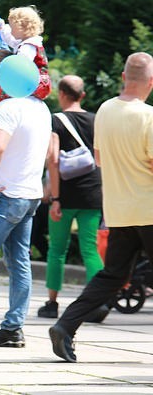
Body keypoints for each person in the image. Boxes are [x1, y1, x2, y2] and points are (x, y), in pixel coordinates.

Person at [49, 52, 153, 363]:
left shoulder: (105, 110)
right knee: (113, 274)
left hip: (119, 209)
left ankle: (65, 325)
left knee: (112, 275)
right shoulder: (148, 116)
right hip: (148, 208)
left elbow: (99, 158)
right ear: (151, 82)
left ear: (123, 77)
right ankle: (65, 326)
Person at [0, 49, 51, 349]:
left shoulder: (6, 108)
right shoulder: (40, 108)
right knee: (19, 262)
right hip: (30, 194)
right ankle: (13, 328)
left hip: (5, 193)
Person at [38, 75, 103, 318]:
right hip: (92, 194)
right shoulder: (96, 120)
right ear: (82, 95)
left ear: (61, 94)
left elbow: (53, 160)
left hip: (65, 196)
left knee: (57, 250)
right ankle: (98, 303)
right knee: (90, 248)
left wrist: (55, 198)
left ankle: (52, 304)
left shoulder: (56, 120)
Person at [0, 6, 52, 121]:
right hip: (37, 82)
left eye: (11, 27)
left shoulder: (28, 46)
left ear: (21, 27)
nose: (10, 30)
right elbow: (11, 40)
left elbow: (20, 65)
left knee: (3, 89)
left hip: (36, 82)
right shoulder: (27, 42)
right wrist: (2, 28)